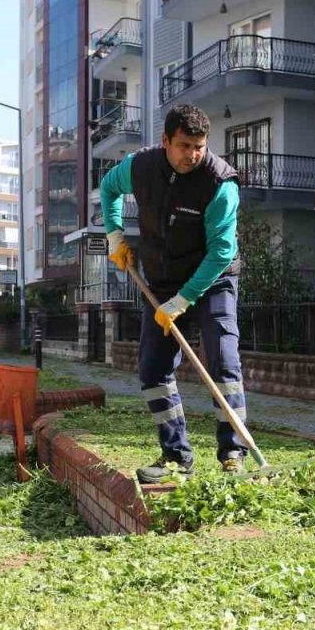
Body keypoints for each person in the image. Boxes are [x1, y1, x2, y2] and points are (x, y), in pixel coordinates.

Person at [99, 103, 247, 484]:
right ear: (165, 141)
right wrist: (115, 234)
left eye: (199, 146)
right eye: (184, 145)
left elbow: (222, 252)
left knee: (222, 360)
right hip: (161, 281)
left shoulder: (219, 184)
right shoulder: (141, 167)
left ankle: (233, 453)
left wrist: (183, 302)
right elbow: (109, 188)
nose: (192, 155)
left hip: (212, 280)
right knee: (152, 369)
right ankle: (176, 456)